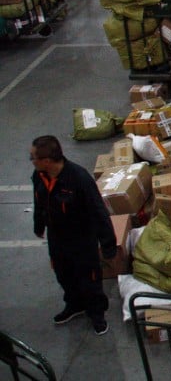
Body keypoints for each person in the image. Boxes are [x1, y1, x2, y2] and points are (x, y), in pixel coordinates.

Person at [31, 135, 117, 336]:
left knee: (89, 277)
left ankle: (97, 313)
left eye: (33, 157)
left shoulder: (78, 178)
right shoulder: (39, 175)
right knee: (63, 274)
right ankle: (75, 305)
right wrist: (39, 225)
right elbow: (38, 201)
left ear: (46, 160)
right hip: (57, 238)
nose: (31, 161)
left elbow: (99, 212)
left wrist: (108, 245)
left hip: (81, 239)